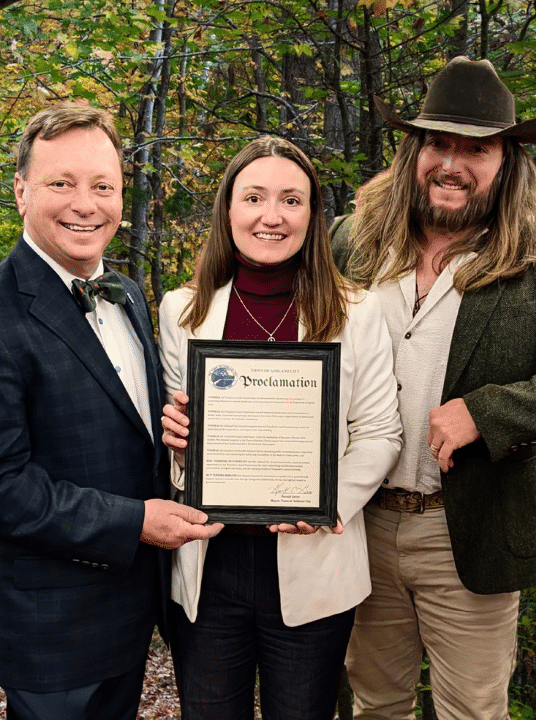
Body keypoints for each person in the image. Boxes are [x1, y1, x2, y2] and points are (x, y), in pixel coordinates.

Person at [0, 102, 221, 720]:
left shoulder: (132, 294)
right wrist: (135, 521)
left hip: (131, 612)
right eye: (61, 183)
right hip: (48, 626)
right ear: (21, 192)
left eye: (103, 186)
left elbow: (124, 429)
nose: (86, 204)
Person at [333, 56, 536, 720]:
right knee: (374, 705)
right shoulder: (353, 246)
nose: (452, 162)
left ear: (508, 161)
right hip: (357, 526)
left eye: (476, 147)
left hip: (465, 533)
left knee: (472, 712)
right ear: (414, 150)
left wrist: (491, 411)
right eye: (438, 142)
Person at [158, 136, 403, 720]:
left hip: (313, 559)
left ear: (314, 215)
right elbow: (176, 450)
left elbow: (380, 432)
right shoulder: (183, 310)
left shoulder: (357, 311)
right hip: (210, 563)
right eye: (255, 198)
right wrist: (178, 444)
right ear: (228, 210)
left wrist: (324, 503)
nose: (272, 216)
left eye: (292, 200)